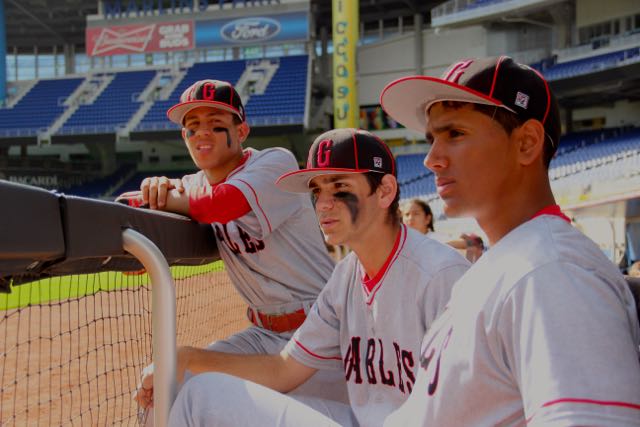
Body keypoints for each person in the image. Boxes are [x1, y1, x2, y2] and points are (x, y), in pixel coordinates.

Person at [380, 56, 640, 426]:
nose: (431, 159)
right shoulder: (511, 261)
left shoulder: (553, 273)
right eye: (432, 138)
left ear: (527, 143)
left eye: (455, 134)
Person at [166, 128, 471, 427]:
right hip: (360, 418)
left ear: (385, 191)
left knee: (198, 398)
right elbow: (283, 369)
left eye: (339, 188)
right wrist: (190, 358)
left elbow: (475, 404)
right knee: (198, 391)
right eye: (317, 191)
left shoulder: (440, 275)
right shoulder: (346, 275)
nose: (323, 204)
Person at [117, 79, 347, 415]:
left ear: (242, 131)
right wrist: (153, 191)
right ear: (184, 138)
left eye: (216, 123)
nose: (202, 134)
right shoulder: (190, 186)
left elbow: (222, 204)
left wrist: (165, 197)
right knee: (165, 387)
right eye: (192, 127)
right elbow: (127, 209)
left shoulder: (275, 164)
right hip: (262, 333)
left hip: (322, 328)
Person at [403, 198, 484, 262]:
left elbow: (475, 242)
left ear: (428, 218)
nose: (410, 218)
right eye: (407, 214)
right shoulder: (402, 245)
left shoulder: (438, 238)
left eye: (416, 213)